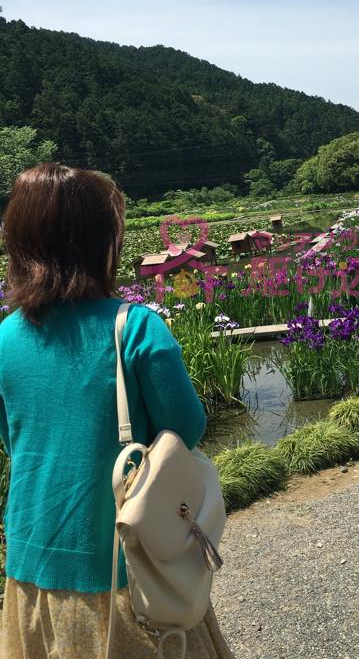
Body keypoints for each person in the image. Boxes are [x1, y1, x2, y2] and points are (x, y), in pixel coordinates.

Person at [0, 164, 234, 659]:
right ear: (100, 243)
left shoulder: (4, 337)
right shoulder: (135, 327)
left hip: (29, 557)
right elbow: (186, 430)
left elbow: (13, 438)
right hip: (127, 564)